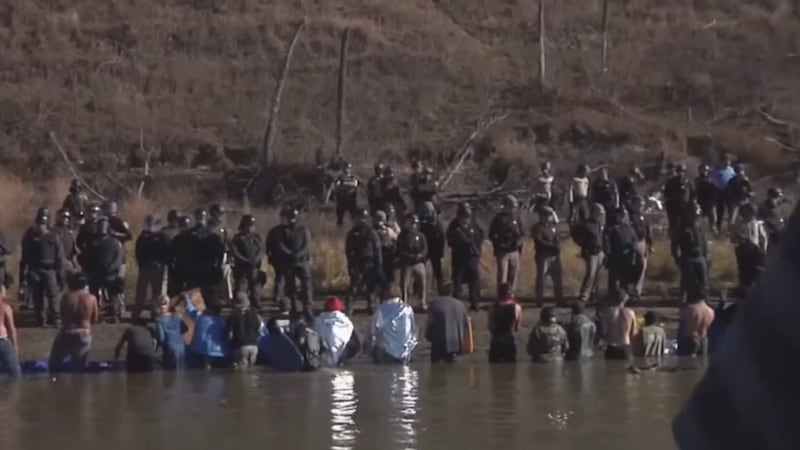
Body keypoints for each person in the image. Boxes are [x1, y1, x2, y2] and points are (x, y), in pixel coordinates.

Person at [20, 208, 66, 327]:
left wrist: (61, 275)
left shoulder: (53, 237)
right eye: (39, 224)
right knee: (38, 296)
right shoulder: (30, 237)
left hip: (50, 269)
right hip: (35, 269)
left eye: (43, 224)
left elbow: (60, 257)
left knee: (53, 296)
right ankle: (41, 320)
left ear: (47, 224)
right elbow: (25, 257)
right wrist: (24, 275)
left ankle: (56, 319)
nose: (41, 227)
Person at [49, 273, 98, 373]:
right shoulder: (91, 298)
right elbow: (95, 318)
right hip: (83, 333)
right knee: (78, 368)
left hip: (67, 331)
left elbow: (62, 315)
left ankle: (55, 385)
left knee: (54, 364)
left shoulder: (66, 297)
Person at [86, 218, 125, 323]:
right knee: (94, 295)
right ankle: (95, 314)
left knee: (113, 296)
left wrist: (112, 268)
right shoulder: (93, 242)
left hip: (110, 274)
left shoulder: (115, 242)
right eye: (100, 225)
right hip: (96, 273)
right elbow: (88, 258)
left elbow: (118, 258)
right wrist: (89, 270)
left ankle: (115, 315)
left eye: (104, 225)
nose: (102, 228)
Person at [446, 203, 484, 311]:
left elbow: (480, 235)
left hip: (472, 257)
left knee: (475, 279)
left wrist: (476, 248)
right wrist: (460, 241)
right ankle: (456, 303)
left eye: (467, 217)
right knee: (457, 280)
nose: (465, 220)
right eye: (463, 217)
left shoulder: (474, 224)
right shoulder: (454, 226)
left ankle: (474, 302)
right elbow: (449, 240)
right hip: (459, 257)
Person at [345, 208, 383, 314]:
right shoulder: (353, 233)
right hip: (357, 262)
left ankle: (372, 306)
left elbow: (377, 248)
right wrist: (350, 264)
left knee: (371, 287)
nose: (362, 221)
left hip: (370, 262)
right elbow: (348, 250)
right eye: (360, 218)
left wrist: (379, 264)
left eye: (363, 218)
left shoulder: (372, 232)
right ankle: (349, 306)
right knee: (354, 286)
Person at [367, 287, 419, 364]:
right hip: (405, 353)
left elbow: (372, 332)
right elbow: (414, 332)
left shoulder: (381, 310)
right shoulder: (408, 309)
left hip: (387, 353)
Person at [133, 215, 170, 320]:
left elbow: (167, 252)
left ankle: (155, 313)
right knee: (141, 292)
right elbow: (138, 252)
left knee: (157, 293)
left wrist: (162, 263)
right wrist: (141, 264)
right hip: (145, 268)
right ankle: (136, 314)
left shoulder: (162, 237)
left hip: (158, 268)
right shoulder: (143, 237)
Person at [187, 209, 225, 309]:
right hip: (196, 268)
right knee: (196, 294)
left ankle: (211, 314)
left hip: (209, 267)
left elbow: (220, 253)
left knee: (210, 294)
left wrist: (218, 266)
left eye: (202, 218)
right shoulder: (190, 234)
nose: (200, 220)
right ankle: (198, 313)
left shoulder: (213, 235)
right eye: (198, 217)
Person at [672, 207, 710, 300]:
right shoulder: (682, 228)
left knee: (703, 280)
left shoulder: (699, 227)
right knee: (687, 280)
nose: (695, 217)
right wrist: (676, 257)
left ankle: (704, 298)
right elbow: (675, 244)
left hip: (700, 257)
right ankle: (683, 299)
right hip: (688, 257)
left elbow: (704, 242)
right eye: (694, 215)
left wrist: (706, 255)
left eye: (697, 215)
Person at [425, 284, 470, 363]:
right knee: (453, 368)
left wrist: (428, 336)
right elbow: (466, 325)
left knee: (436, 367)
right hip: (455, 342)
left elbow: (430, 323)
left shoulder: (434, 304)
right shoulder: (461, 305)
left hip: (438, 342)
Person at [489, 195, 523, 297]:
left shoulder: (516, 217)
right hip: (503, 252)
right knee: (502, 276)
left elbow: (522, 232)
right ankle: (501, 297)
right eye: (512, 206)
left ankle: (511, 296)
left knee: (513, 276)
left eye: (515, 206)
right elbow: (491, 235)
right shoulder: (499, 218)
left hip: (514, 251)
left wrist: (519, 242)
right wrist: (500, 243)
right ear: (506, 206)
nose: (514, 208)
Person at [184, 294, 229, 369]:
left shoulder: (200, 316)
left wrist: (187, 299)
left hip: (201, 349)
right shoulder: (221, 321)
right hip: (220, 351)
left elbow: (190, 310)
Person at [730, 203, 768, 291]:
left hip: (754, 248)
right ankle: (743, 285)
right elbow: (733, 237)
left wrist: (763, 249)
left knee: (755, 268)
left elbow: (763, 237)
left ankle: (753, 285)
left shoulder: (757, 224)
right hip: (743, 248)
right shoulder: (739, 224)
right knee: (743, 267)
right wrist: (737, 238)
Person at [572, 203, 605, 302]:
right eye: (599, 213)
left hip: (600, 251)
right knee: (590, 274)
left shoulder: (599, 224)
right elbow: (576, 236)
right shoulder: (586, 224)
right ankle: (584, 295)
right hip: (591, 252)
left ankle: (594, 293)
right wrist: (584, 246)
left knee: (598, 274)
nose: (601, 215)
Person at [314, 297, 360, 367]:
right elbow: (356, 346)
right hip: (341, 359)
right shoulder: (346, 322)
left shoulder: (317, 321)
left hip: (322, 361)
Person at [230, 214, 265, 308]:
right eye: (248, 225)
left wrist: (256, 260)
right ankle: (241, 305)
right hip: (241, 268)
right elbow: (234, 252)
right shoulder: (237, 238)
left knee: (255, 288)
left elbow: (261, 250)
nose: (250, 228)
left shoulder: (257, 237)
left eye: (252, 225)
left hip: (254, 267)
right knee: (241, 289)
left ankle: (255, 303)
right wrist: (245, 260)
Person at [532, 206, 563, 305]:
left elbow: (557, 237)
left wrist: (558, 244)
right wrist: (552, 246)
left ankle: (559, 299)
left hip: (554, 255)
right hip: (543, 256)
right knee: (541, 278)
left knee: (557, 278)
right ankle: (539, 299)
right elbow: (539, 242)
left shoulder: (552, 227)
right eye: (548, 215)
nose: (550, 217)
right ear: (542, 216)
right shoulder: (537, 228)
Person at [604, 207, 637, 298]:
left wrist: (632, 249)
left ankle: (624, 294)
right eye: (620, 215)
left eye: (624, 215)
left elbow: (634, 239)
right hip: (615, 255)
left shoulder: (629, 228)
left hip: (627, 256)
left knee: (625, 276)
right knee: (613, 276)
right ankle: (612, 294)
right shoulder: (612, 228)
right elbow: (607, 241)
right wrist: (608, 253)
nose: (622, 217)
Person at [397, 214, 428, 310]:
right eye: (411, 223)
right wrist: (410, 257)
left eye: (415, 223)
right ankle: (404, 303)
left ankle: (422, 302)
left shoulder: (420, 235)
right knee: (405, 284)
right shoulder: (402, 236)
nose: (413, 225)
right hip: (407, 263)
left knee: (422, 282)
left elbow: (425, 248)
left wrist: (421, 256)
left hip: (419, 262)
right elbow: (400, 250)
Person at [226, 292, 263, 368]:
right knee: (251, 370)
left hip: (241, 346)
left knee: (242, 373)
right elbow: (260, 328)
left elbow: (229, 333)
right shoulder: (254, 313)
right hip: (254, 346)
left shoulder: (233, 315)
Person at [600, 291, 638, 361]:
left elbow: (604, 332)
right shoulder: (631, 313)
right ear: (625, 300)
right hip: (625, 347)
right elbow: (634, 333)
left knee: (610, 371)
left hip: (611, 348)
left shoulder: (607, 312)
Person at [488, 284, 521, 363]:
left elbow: (489, 326)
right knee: (511, 370)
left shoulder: (493, 307)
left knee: (494, 371)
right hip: (509, 341)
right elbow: (517, 328)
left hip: (496, 341)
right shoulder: (517, 307)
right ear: (511, 294)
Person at [628, 196, 653, 299]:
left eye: (642, 204)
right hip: (631, 243)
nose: (641, 206)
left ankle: (637, 290)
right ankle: (628, 289)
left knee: (642, 266)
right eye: (639, 204)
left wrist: (651, 244)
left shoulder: (644, 217)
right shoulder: (629, 216)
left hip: (642, 242)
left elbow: (648, 230)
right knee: (630, 266)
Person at [418, 201, 446, 294]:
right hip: (425, 247)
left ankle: (440, 289)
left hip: (435, 247)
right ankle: (419, 289)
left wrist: (441, 250)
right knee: (421, 269)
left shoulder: (437, 221)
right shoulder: (421, 219)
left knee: (437, 270)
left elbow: (441, 236)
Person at [677, 291, 715, 357]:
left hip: (690, 339)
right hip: (704, 340)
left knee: (687, 364)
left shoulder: (689, 309)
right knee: (702, 363)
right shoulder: (711, 311)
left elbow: (682, 325)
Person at [154, 295, 187, 370]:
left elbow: (161, 338)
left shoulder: (159, 320)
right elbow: (185, 328)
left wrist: (157, 346)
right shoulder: (177, 317)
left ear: (158, 307)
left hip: (170, 349)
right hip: (181, 347)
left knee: (169, 375)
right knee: (180, 374)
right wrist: (176, 334)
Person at [663, 163, 693, 235]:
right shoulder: (671, 182)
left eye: (682, 171)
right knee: (674, 224)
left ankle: (685, 237)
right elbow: (666, 193)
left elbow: (692, 193)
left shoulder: (687, 182)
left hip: (685, 206)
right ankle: (674, 238)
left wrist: (690, 203)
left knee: (686, 223)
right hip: (674, 206)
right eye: (679, 171)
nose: (681, 173)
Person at [373, 210, 398, 295]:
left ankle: (387, 292)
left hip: (388, 253)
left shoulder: (388, 229)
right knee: (379, 274)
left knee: (389, 275)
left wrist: (391, 234)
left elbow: (397, 238)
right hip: (377, 253)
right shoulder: (372, 229)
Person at [169, 216, 193, 296]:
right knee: (177, 290)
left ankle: (194, 308)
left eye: (185, 225)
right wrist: (172, 267)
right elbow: (172, 254)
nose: (183, 228)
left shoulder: (194, 238)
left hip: (192, 268)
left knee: (192, 290)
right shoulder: (177, 239)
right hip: (179, 267)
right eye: (181, 225)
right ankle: (178, 307)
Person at [711, 154, 736, 232]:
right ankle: (718, 229)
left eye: (728, 161)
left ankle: (730, 230)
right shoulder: (715, 170)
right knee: (720, 212)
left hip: (729, 193)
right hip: (719, 192)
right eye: (726, 161)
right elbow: (712, 180)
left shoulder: (731, 170)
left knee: (731, 212)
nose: (727, 163)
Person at [0, 285, 20, 377]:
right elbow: (11, 329)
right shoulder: (5, 307)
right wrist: (15, 345)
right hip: (2, 341)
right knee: (14, 372)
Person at [161, 210, 182, 296]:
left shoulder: (183, 230)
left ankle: (190, 308)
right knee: (169, 286)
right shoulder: (164, 231)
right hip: (168, 262)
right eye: (174, 219)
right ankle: (171, 305)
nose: (175, 221)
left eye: (177, 219)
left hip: (182, 262)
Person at [694, 164, 720, 233]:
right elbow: (694, 191)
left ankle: (715, 237)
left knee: (713, 221)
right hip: (701, 203)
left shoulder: (712, 180)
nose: (704, 171)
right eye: (703, 170)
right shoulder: (697, 180)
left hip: (711, 204)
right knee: (699, 221)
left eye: (706, 170)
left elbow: (716, 191)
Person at [334, 163, 360, 227]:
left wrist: (345, 185)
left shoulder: (353, 177)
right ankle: (339, 230)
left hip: (351, 199)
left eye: (348, 168)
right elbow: (337, 187)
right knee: (340, 217)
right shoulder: (340, 177)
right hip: (342, 199)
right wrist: (346, 186)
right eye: (345, 168)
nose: (347, 169)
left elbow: (356, 185)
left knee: (354, 216)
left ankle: (355, 228)